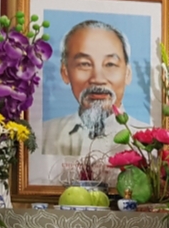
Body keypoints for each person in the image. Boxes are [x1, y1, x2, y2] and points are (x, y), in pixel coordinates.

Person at [41, 20, 146, 157]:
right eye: (85, 64)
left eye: (110, 64)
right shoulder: (43, 135)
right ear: (65, 72)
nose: (98, 79)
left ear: (127, 73)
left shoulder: (151, 143)